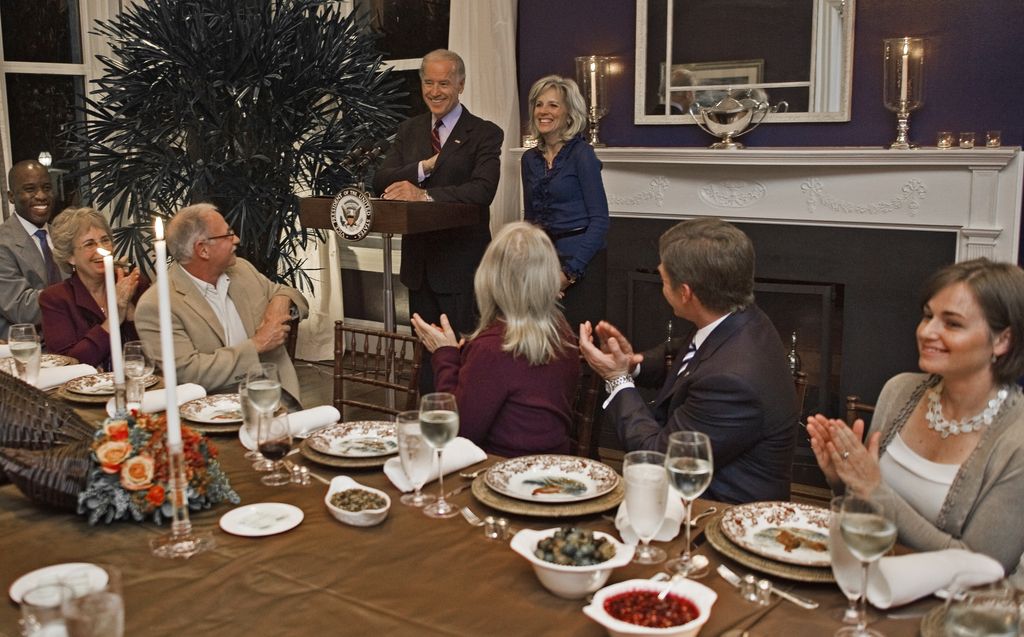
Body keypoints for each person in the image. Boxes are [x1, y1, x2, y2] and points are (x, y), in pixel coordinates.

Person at [807, 258, 1024, 575]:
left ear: (1002, 340)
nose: (927, 331)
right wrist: (843, 481)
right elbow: (867, 514)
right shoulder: (899, 392)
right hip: (869, 582)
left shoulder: (1016, 440)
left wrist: (873, 489)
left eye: (951, 323)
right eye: (927, 316)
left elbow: (980, 567)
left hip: (950, 613)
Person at [579, 217, 797, 504]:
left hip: (716, 516)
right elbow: (690, 351)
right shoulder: (740, 318)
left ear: (685, 293)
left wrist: (617, 379)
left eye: (663, 279)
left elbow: (658, 459)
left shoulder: (732, 383)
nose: (661, 286)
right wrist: (634, 364)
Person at [372, 48, 503, 394]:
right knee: (425, 360)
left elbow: (482, 191)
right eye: (428, 83)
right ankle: (427, 425)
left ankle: (465, 430)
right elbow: (381, 179)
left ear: (460, 84)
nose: (435, 91)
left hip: (462, 267)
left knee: (464, 356)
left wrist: (424, 194)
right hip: (419, 268)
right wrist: (422, 169)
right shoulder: (409, 130)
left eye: (443, 83)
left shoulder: (485, 133)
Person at [411, 222, 578, 457]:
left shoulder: (492, 348)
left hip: (499, 475)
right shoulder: (564, 335)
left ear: (490, 278)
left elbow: (458, 434)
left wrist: (445, 355)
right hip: (554, 469)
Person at [134, 203, 309, 401]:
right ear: (203, 250)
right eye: (228, 235)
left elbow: (293, 296)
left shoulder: (242, 270)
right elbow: (188, 373)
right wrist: (257, 345)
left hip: (278, 397)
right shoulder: (157, 305)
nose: (237, 240)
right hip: (211, 412)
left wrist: (280, 302)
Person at [521, 75, 610, 330]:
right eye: (539, 104)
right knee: (541, 346)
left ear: (569, 113)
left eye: (553, 105)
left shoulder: (582, 155)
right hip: (543, 265)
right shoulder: (529, 159)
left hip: (582, 261)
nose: (544, 111)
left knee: (576, 349)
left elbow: (600, 221)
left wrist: (567, 275)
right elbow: (530, 220)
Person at [40, 207, 148, 370]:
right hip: (83, 391)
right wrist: (115, 317)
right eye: (89, 244)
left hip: (140, 384)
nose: (101, 250)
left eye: (105, 240)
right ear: (70, 256)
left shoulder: (134, 284)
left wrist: (130, 310)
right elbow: (68, 363)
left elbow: (157, 351)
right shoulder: (55, 299)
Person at [0, 160, 67, 339]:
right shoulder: (3, 244)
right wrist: (81, 288)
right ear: (11, 197)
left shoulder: (63, 236)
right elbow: (22, 309)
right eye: (30, 189)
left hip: (74, 342)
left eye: (47, 187)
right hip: (29, 351)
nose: (41, 196)